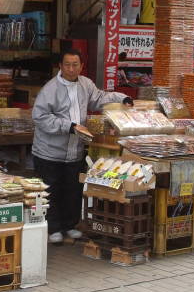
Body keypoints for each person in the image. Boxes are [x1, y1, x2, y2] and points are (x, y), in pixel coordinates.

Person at [32, 47, 133, 244]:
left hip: (74, 151)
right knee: (51, 190)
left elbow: (99, 98)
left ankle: (70, 225)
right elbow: (40, 117)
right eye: (67, 65)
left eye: (75, 65)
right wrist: (68, 126)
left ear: (81, 66)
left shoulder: (85, 84)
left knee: (72, 189)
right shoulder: (50, 89)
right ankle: (53, 228)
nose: (71, 69)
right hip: (49, 152)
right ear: (60, 66)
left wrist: (122, 98)